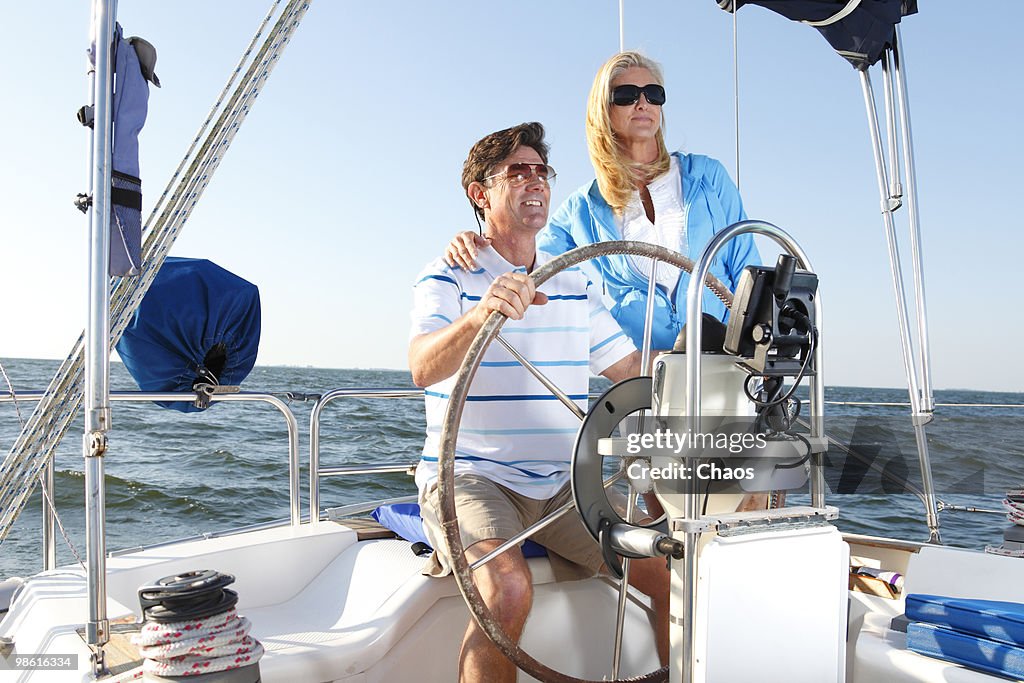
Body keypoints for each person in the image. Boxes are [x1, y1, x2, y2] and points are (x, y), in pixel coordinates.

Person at [409, 122, 669, 683]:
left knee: (666, 568)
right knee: (505, 587)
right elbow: (422, 366)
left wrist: (714, 355)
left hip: (561, 486)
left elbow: (628, 369)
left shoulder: (574, 283)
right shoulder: (449, 273)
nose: (535, 181)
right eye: (516, 171)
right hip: (471, 476)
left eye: (541, 171)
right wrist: (482, 314)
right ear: (481, 193)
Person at [444, 51, 760, 351]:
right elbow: (526, 264)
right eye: (626, 96)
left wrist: (756, 348)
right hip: (645, 382)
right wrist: (474, 239)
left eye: (654, 94)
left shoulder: (707, 177)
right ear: (603, 111)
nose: (642, 103)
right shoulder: (580, 210)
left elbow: (746, 265)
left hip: (727, 364)